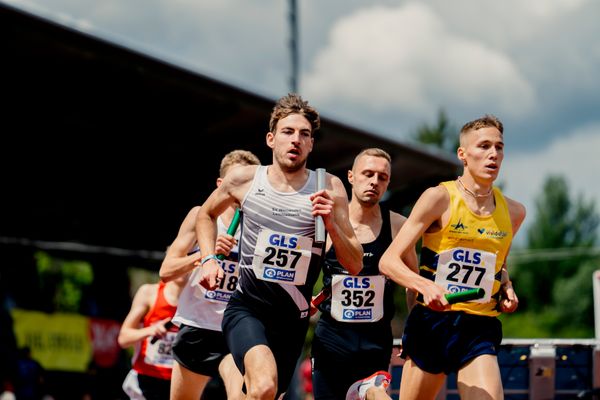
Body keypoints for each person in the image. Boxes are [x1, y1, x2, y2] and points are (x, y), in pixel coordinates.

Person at [195, 93, 364, 400]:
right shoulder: (244, 180)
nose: (295, 140)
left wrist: (332, 225)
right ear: (271, 139)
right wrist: (208, 258)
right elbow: (205, 215)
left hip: (292, 322)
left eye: (304, 134)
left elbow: (354, 264)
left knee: (265, 395)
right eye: (288, 132)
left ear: (311, 144)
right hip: (248, 309)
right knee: (264, 386)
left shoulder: (329, 188)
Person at [379, 114, 525, 400]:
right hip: (433, 323)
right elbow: (389, 261)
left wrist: (506, 286)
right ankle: (373, 394)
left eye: (499, 147)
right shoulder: (439, 198)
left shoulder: (514, 212)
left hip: (479, 327)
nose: (493, 154)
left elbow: (499, 264)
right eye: (483, 146)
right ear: (463, 154)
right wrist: (425, 286)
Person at [310, 148, 414, 400]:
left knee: (376, 393)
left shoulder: (398, 225)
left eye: (382, 177)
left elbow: (413, 282)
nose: (374, 182)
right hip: (332, 340)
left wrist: (414, 328)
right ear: (351, 177)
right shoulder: (327, 222)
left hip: (375, 340)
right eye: (367, 174)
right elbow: (305, 274)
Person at [159, 149, 260, 400]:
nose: (241, 188)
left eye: (248, 182)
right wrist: (206, 255)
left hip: (238, 326)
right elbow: (166, 271)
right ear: (220, 184)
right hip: (199, 326)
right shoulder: (199, 216)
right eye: (235, 181)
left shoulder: (260, 224)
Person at [117, 276, 185, 400]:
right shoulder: (149, 293)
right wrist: (150, 330)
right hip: (144, 381)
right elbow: (123, 339)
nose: (185, 271)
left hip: (180, 382)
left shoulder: (197, 300)